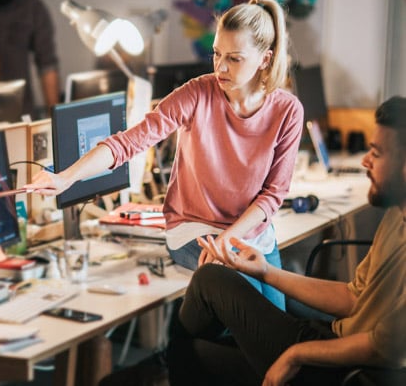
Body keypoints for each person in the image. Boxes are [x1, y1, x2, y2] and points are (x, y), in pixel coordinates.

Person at [25, 0, 304, 309]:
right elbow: (128, 142)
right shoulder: (198, 93)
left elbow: (273, 194)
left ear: (265, 59)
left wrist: (227, 240)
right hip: (194, 229)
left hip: (251, 234)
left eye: (235, 58)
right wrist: (66, 177)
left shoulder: (288, 111)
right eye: (216, 54)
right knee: (254, 309)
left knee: (278, 322)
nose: (221, 67)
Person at [167, 96, 406, 386]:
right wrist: (266, 272)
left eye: (377, 153)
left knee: (208, 283)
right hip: (340, 339)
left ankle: (173, 354)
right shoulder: (396, 214)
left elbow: (383, 348)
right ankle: (177, 354)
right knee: (193, 349)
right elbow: (354, 298)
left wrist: (295, 355)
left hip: (348, 370)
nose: (365, 160)